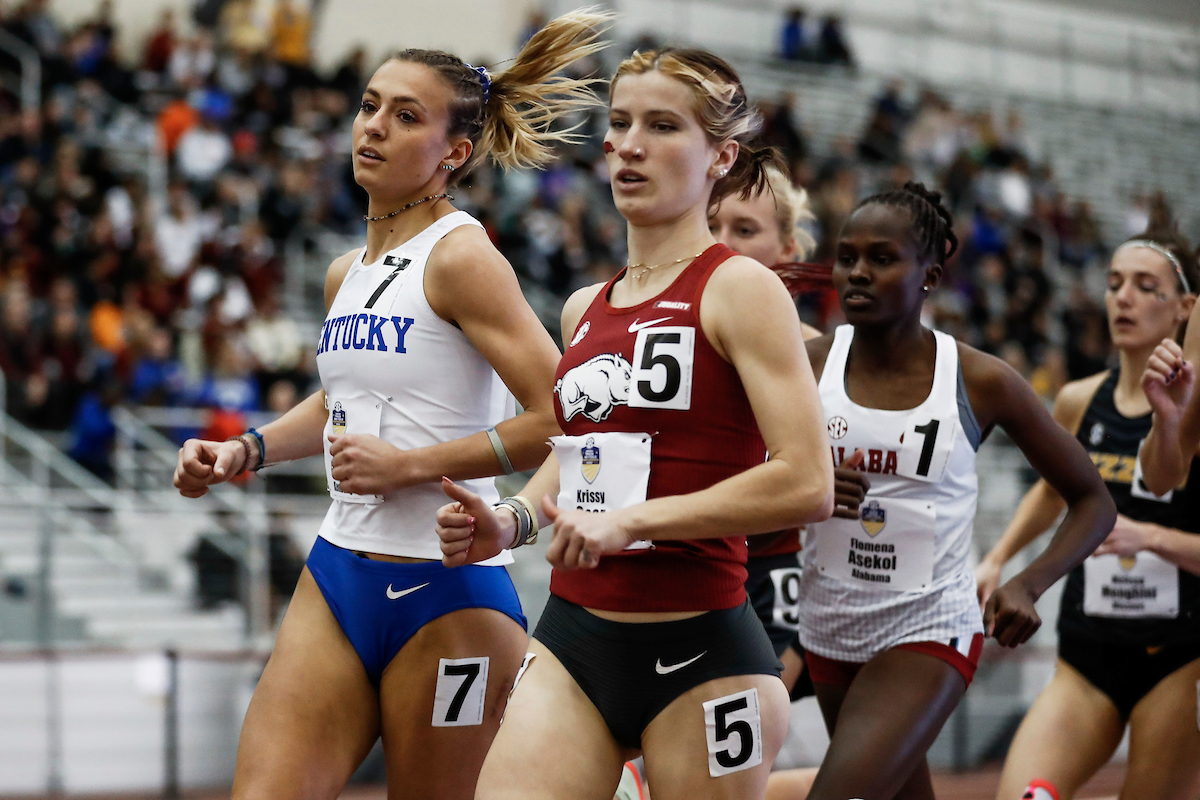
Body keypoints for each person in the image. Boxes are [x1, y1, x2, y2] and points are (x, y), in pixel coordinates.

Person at [172, 11, 610, 799]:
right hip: (338, 571)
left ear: (455, 153)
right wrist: (248, 450)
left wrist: (413, 466)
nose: (373, 126)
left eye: (406, 116)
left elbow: (563, 415)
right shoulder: (349, 270)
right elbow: (340, 400)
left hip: (448, 594)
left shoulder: (465, 259)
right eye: (370, 105)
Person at [436, 48, 835, 800]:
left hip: (704, 651)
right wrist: (511, 521)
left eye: (662, 125)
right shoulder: (585, 308)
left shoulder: (740, 288)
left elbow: (808, 482)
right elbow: (580, 456)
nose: (630, 144)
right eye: (620, 123)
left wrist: (637, 521)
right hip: (575, 638)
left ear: (721, 156)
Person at [786, 182, 1115, 800]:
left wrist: (1026, 580)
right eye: (847, 256)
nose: (857, 273)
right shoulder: (807, 365)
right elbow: (747, 476)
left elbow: (1093, 500)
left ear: (930, 274)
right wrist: (807, 485)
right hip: (828, 627)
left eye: (882, 259)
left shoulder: (981, 380)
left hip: (928, 628)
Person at [977, 226, 1200, 800]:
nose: (1122, 298)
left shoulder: (1193, 415)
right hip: (1086, 659)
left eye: (1145, 286)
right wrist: (999, 557)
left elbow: (1160, 481)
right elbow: (1055, 493)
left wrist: (1150, 536)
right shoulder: (1079, 399)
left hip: (1174, 660)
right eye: (1114, 283)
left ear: (1185, 308)